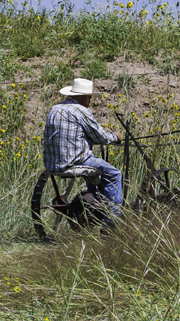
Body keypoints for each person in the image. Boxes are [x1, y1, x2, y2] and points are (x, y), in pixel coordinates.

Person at [42, 78, 124, 222]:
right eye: (89, 98)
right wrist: (116, 137)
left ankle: (92, 201)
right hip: (75, 162)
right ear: (83, 97)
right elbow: (101, 137)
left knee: (93, 162)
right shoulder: (81, 111)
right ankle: (112, 223)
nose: (90, 101)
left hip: (53, 164)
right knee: (114, 174)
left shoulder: (54, 109)